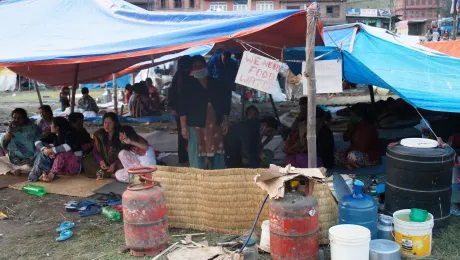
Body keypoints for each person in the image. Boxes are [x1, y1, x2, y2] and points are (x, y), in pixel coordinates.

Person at [179, 55, 232, 169]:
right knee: (196, 154)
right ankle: (198, 180)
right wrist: (183, 127)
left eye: (201, 65)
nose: (198, 68)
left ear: (206, 66)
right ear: (192, 69)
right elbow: (182, 108)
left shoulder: (216, 83)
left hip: (215, 124)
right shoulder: (188, 85)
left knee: (217, 154)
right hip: (196, 124)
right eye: (195, 66)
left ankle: (217, 179)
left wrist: (226, 121)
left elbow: (225, 103)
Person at [29, 117, 84, 182]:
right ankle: (37, 175)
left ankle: (50, 175)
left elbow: (67, 147)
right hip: (60, 166)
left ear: (57, 127)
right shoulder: (54, 135)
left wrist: (51, 150)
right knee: (40, 152)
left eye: (52, 124)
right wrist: (44, 149)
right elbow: (37, 142)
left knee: (63, 152)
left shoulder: (71, 134)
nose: (50, 126)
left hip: (74, 166)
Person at [284, 104, 335, 168]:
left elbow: (320, 151)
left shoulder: (323, 131)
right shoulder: (302, 126)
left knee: (301, 158)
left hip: (320, 159)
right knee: (290, 159)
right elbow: (293, 130)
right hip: (305, 154)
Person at [334, 103, 382, 169]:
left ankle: (352, 164)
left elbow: (361, 147)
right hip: (356, 151)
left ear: (360, 116)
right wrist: (351, 128)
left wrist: (347, 153)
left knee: (352, 156)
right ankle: (350, 163)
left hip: (369, 156)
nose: (351, 117)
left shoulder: (367, 128)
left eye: (352, 115)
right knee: (334, 153)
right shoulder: (355, 125)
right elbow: (345, 138)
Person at [0, 108, 41, 175]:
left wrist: (33, 158)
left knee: (29, 167)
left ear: (25, 117)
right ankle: (12, 171)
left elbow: (39, 145)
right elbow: (4, 143)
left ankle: (12, 170)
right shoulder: (12, 128)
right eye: (14, 118)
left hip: (28, 160)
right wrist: (10, 131)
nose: (16, 120)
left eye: (19, 118)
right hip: (12, 158)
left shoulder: (33, 128)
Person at [83, 112, 123, 178]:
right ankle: (110, 174)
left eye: (110, 123)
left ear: (115, 123)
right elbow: (95, 152)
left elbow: (126, 152)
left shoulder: (121, 134)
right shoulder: (99, 134)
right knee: (87, 161)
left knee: (125, 165)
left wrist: (114, 164)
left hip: (118, 162)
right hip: (104, 161)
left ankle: (105, 174)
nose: (107, 126)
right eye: (105, 123)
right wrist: (101, 161)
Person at [169, 55, 192, 166]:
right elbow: (173, 92)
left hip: (183, 109)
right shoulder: (181, 76)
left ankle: (185, 157)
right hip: (181, 110)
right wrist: (174, 107)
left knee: (184, 134)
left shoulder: (182, 75)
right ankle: (184, 157)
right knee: (184, 134)